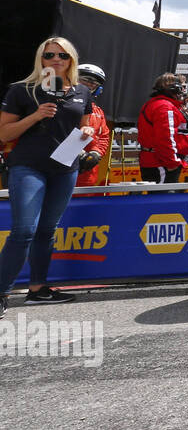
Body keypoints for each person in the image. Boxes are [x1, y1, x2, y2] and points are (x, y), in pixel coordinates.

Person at [0, 37, 96, 313]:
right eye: (49, 54)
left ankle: (38, 289)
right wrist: (35, 116)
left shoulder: (81, 91)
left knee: (47, 230)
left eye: (62, 55)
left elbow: (85, 126)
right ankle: (2, 292)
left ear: (71, 60)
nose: (56, 59)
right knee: (23, 231)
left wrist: (87, 133)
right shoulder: (21, 90)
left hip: (65, 168)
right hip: (27, 166)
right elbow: (4, 134)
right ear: (40, 59)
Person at [138, 72, 188, 183]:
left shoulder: (162, 104)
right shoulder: (164, 106)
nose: (182, 91)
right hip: (161, 163)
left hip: (160, 161)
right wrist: (172, 162)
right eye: (181, 87)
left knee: (161, 198)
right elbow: (165, 137)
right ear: (173, 89)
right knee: (163, 198)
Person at [74, 63, 111, 187]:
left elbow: (104, 136)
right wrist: (78, 152)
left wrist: (96, 154)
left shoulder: (98, 111)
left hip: (88, 173)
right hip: (62, 168)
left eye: (94, 83)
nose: (89, 84)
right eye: (85, 80)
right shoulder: (63, 105)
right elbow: (56, 131)